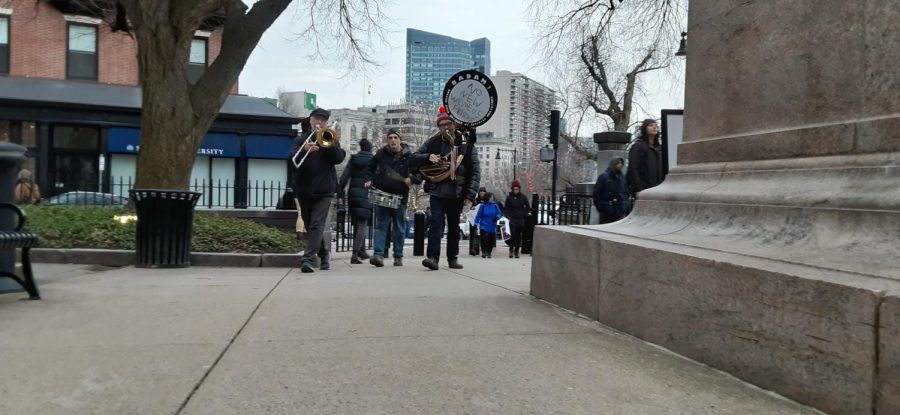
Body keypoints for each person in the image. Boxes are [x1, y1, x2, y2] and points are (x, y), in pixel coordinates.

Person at [411, 110, 480, 270]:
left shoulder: (466, 145)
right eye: (442, 125)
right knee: (435, 224)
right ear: (439, 128)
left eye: (448, 124)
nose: (446, 128)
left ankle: (452, 258)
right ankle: (433, 258)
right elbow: (413, 158)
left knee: (454, 226)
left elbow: (475, 171)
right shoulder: (432, 143)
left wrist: (470, 194)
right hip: (437, 190)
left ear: (454, 125)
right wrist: (427, 157)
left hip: (457, 192)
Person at [289, 108, 346, 273]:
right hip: (304, 189)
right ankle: (324, 253)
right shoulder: (301, 140)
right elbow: (291, 159)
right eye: (316, 119)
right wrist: (304, 150)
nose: (319, 123)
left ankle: (308, 259)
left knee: (316, 224)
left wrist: (327, 144)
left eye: (322, 120)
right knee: (310, 225)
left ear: (327, 123)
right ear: (311, 120)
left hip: (324, 190)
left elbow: (338, 158)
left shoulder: (330, 138)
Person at [366, 129, 420, 267]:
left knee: (399, 228)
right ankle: (378, 255)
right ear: (387, 140)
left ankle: (398, 256)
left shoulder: (409, 156)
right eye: (390, 137)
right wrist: (370, 179)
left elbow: (420, 174)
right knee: (381, 226)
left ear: (400, 140)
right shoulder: (381, 154)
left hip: (400, 197)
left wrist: (411, 179)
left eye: (395, 137)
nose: (392, 140)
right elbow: (369, 168)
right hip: (382, 195)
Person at [338, 138, 374, 264]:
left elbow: (345, 176)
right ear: (370, 148)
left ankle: (362, 251)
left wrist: (339, 190)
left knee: (356, 224)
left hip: (353, 193)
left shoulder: (354, 159)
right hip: (366, 194)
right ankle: (354, 255)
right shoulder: (373, 160)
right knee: (362, 225)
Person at [627, 118, 664, 198]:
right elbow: (633, 168)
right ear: (645, 129)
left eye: (656, 126)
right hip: (644, 190)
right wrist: (637, 189)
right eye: (651, 125)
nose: (654, 127)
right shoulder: (638, 146)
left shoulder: (659, 148)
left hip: (659, 189)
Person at [593, 157, 631, 224]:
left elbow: (626, 192)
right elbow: (597, 194)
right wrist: (601, 208)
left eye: (621, 163)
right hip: (607, 210)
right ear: (613, 164)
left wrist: (625, 205)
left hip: (620, 210)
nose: (620, 165)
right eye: (618, 163)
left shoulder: (623, 178)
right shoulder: (604, 177)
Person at [503, 180, 530, 258]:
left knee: (518, 236)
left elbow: (528, 207)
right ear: (512, 189)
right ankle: (511, 250)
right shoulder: (509, 198)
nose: (516, 190)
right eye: (514, 189)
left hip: (520, 219)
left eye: (517, 189)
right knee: (512, 235)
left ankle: (516, 251)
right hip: (511, 219)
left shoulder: (523, 197)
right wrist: (507, 217)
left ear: (519, 189)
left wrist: (524, 214)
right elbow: (506, 209)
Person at [475, 192, 503, 258]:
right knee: (484, 238)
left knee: (490, 239)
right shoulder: (483, 206)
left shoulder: (495, 205)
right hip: (483, 225)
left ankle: (489, 252)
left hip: (492, 225)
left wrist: (497, 217)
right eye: (491, 197)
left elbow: (500, 213)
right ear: (488, 198)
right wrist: (476, 223)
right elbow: (478, 215)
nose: (492, 198)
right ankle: (484, 252)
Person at [468, 186, 487, 256]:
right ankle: (474, 250)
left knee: (484, 236)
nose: (482, 193)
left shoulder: (487, 200)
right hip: (476, 220)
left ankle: (484, 251)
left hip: (484, 220)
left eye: (483, 192)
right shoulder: (475, 200)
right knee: (475, 235)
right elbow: (472, 210)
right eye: (481, 192)